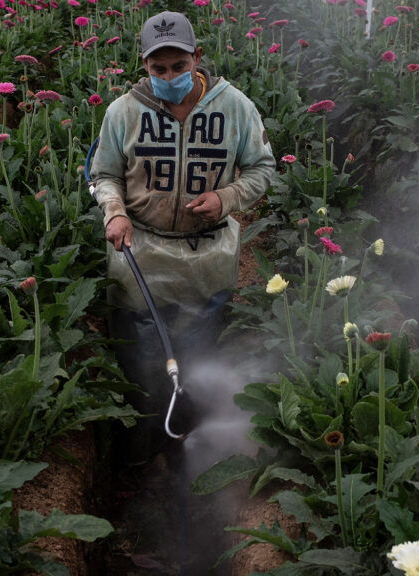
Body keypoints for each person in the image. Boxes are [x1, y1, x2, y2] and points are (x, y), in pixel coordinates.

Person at [89, 10, 275, 452]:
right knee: (138, 358)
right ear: (144, 65)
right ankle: (141, 445)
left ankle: (188, 440)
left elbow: (262, 168)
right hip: (141, 253)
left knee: (196, 352)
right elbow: (105, 174)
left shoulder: (235, 108)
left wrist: (225, 199)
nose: (169, 76)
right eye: (158, 69)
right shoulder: (124, 112)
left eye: (178, 66)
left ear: (197, 58)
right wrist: (114, 211)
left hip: (206, 256)